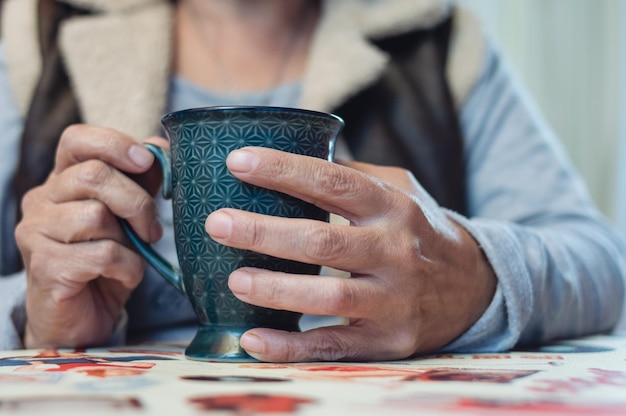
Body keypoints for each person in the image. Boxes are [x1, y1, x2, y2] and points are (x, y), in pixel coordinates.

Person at [0, 0, 624, 362]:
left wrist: (476, 275)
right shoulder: (28, 37)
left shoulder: (437, 36)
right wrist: (34, 313)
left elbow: (600, 262)